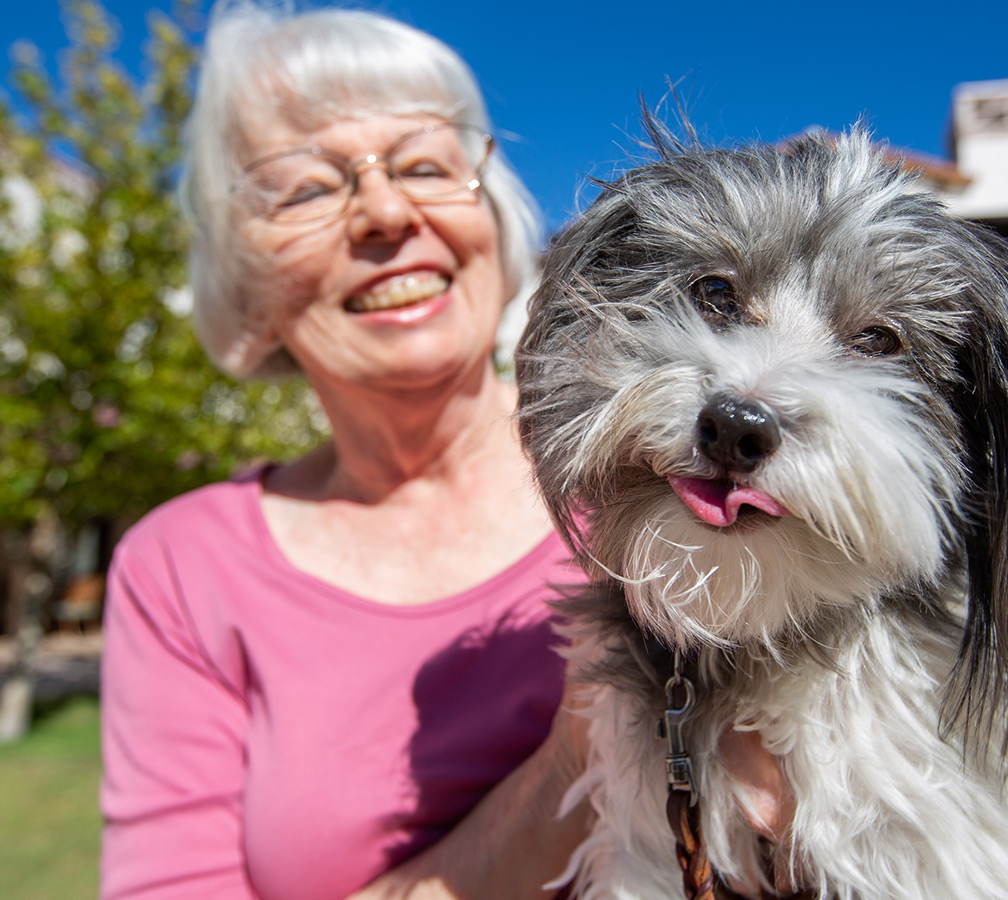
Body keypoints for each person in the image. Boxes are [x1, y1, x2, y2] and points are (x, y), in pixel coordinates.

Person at [98, 3, 591, 898]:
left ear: (491, 214)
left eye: (425, 165)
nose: (386, 212)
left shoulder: (651, 461)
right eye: (306, 190)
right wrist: (572, 771)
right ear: (246, 283)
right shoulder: (181, 568)